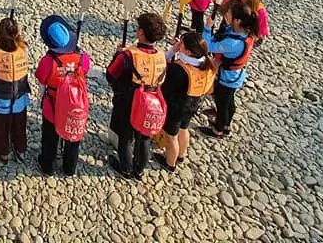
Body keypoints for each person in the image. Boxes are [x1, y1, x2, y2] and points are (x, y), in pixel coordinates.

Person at [105, 12, 167, 180]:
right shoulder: (161, 56)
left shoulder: (128, 55)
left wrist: (117, 54)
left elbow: (111, 75)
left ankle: (125, 168)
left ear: (141, 32)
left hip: (129, 101)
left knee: (126, 136)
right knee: (145, 136)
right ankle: (139, 170)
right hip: (151, 100)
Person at [35, 14, 90, 176]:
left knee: (50, 137)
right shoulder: (83, 58)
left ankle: (47, 166)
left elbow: (41, 79)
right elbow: (85, 70)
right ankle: (69, 168)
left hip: (53, 104)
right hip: (75, 104)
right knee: (73, 136)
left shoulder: (48, 61)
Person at [155, 31, 216, 173]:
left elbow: (162, 69)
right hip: (194, 103)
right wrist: (178, 49)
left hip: (177, 107)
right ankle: (181, 155)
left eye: (181, 43)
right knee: (184, 128)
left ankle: (170, 163)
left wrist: (172, 51)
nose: (178, 43)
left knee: (171, 136)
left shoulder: (179, 69)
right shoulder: (207, 64)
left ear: (188, 51)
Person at [200, 1, 258, 138]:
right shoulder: (245, 33)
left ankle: (218, 130)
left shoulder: (232, 43)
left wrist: (207, 28)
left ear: (237, 21)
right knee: (229, 102)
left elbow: (207, 46)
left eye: (229, 14)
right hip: (236, 76)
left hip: (227, 79)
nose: (226, 15)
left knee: (222, 105)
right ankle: (227, 125)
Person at [0, 18, 30, 163]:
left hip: (2, 99)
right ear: (17, 32)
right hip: (20, 97)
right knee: (20, 124)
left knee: (1, 126)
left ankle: (3, 152)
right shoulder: (24, 49)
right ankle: (20, 149)